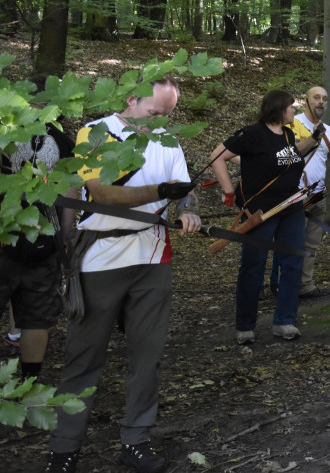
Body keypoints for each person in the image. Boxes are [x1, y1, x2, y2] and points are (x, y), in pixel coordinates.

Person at [47, 76, 201, 473]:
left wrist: (188, 207)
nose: (159, 122)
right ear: (131, 99)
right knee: (84, 357)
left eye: (167, 115)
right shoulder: (95, 133)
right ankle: (64, 448)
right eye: (153, 113)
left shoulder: (167, 136)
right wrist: (161, 192)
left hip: (151, 256)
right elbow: (102, 193)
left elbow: (183, 187)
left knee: (147, 357)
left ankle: (136, 439)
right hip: (100, 257)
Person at [211, 90, 323, 345]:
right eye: (290, 107)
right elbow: (217, 157)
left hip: (291, 208)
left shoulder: (287, 134)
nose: (294, 111)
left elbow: (292, 154)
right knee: (254, 265)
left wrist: (315, 138)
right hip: (260, 212)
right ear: (278, 109)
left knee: (292, 262)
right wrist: (228, 190)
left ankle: (285, 321)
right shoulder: (252, 134)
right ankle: (245, 326)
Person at [1, 77, 75, 380]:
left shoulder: (6, 131)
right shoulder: (61, 139)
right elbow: (71, 192)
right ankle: (29, 384)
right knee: (36, 319)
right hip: (44, 239)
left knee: (35, 319)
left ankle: (27, 382)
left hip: (14, 238)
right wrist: (65, 236)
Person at [287, 86, 330, 299]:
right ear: (306, 101)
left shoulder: (329, 130)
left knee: (311, 245)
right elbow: (295, 153)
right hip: (295, 196)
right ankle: (286, 287)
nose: (321, 102)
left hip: (318, 196)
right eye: (316, 98)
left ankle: (305, 286)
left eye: (325, 98)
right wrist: (314, 136)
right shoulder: (292, 123)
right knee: (292, 244)